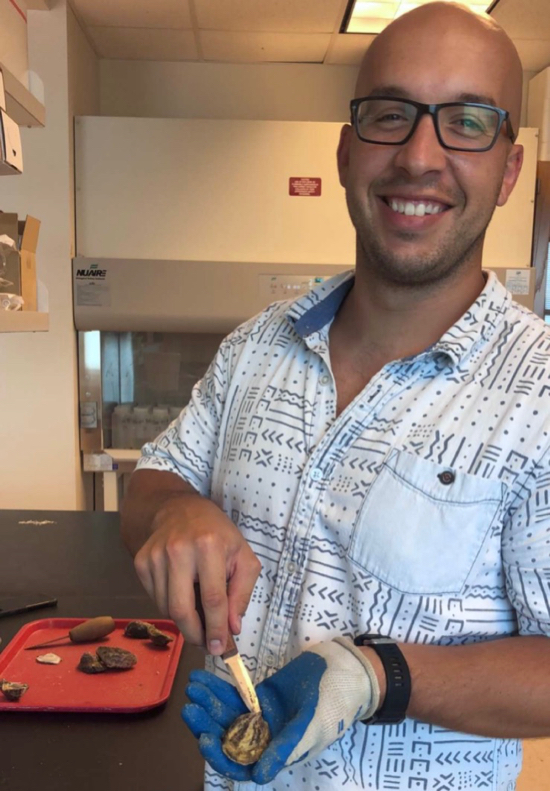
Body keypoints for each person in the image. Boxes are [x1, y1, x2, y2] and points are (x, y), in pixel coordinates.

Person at [121, 2, 550, 789]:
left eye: (467, 121)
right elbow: (151, 478)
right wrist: (174, 507)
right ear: (349, 151)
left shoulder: (541, 392)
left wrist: (375, 675)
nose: (420, 156)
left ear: (509, 169)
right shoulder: (257, 345)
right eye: (391, 115)